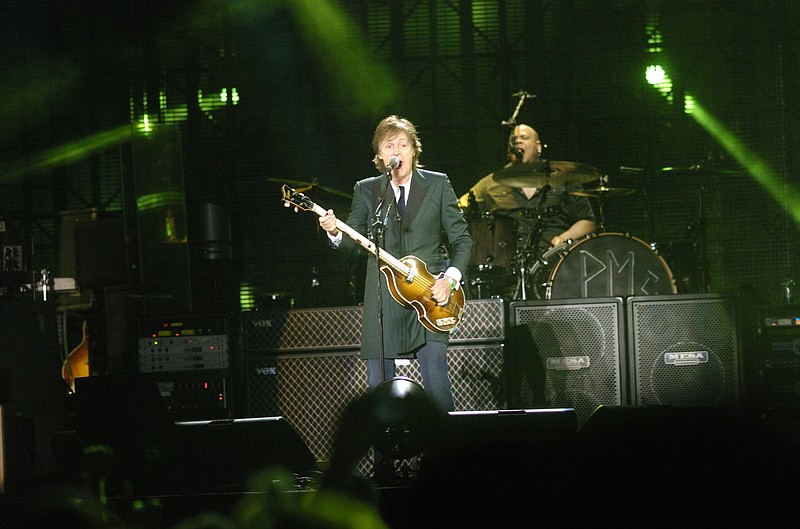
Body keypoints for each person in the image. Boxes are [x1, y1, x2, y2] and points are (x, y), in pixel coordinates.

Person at [318, 115, 472, 414]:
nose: (397, 152)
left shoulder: (438, 184)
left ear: (415, 150)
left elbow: (462, 240)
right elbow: (352, 238)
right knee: (379, 388)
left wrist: (449, 280)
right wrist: (335, 231)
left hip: (431, 295)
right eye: (389, 146)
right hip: (383, 298)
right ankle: (384, 458)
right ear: (379, 156)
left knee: (437, 378)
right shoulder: (368, 190)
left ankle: (447, 453)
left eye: (403, 144)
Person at [458, 123, 596, 297]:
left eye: (524, 138)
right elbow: (460, 206)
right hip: (506, 265)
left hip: (554, 260)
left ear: (538, 146)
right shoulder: (491, 183)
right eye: (514, 140)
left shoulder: (564, 179)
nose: (518, 142)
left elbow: (588, 221)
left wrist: (563, 238)